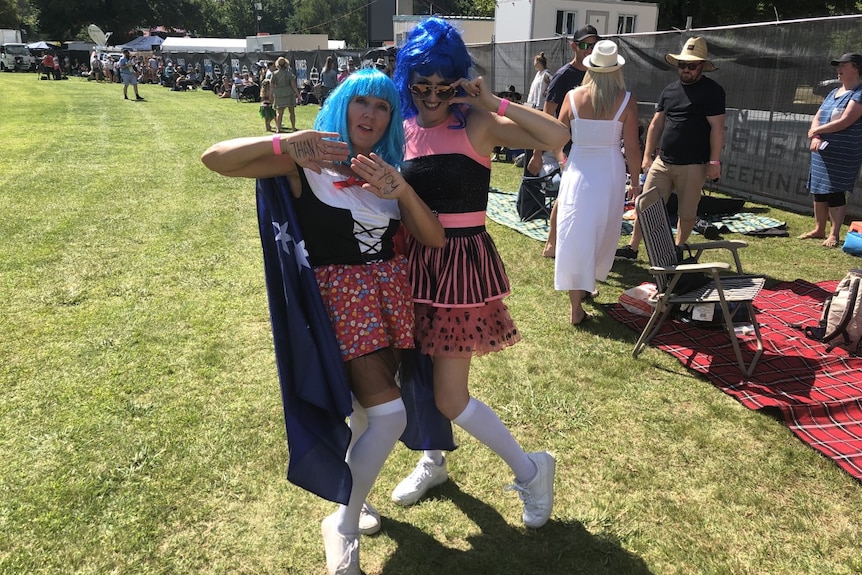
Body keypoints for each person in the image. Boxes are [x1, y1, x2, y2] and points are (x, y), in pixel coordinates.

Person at [201, 68, 445, 575]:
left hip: (390, 300)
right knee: (389, 416)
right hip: (339, 305)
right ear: (343, 106)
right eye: (363, 103)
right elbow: (214, 159)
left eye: (383, 108)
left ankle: (354, 498)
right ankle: (343, 524)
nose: (372, 115)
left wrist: (401, 191)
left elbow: (434, 238)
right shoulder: (307, 166)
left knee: (363, 412)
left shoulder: (386, 171)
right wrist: (285, 144)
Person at [381, 16, 569, 530]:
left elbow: (557, 133)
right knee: (413, 374)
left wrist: (492, 102)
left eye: (444, 83)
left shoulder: (476, 122)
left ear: (458, 78)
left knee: (450, 394)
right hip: (409, 261)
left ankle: (532, 469)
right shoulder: (402, 124)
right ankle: (433, 459)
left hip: (461, 264)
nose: (434, 94)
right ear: (409, 79)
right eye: (423, 83)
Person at [553, 40, 642, 325]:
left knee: (576, 231)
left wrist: (560, 158)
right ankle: (580, 301)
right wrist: (637, 181)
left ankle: (578, 298)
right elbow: (632, 147)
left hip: (578, 170)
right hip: (609, 173)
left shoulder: (572, 96)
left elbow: (555, 134)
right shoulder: (627, 100)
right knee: (601, 231)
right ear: (616, 70)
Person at [616, 37, 725, 260]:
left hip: (694, 164)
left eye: (691, 65)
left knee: (687, 212)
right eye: (682, 64)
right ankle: (632, 248)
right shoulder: (669, 90)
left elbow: (717, 128)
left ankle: (678, 249)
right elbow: (656, 124)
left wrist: (714, 162)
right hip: (663, 161)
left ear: (702, 66)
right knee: (645, 205)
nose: (686, 69)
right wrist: (648, 155)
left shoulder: (713, 91)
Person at [528, 25, 599, 258]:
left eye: (594, 45)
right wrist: (538, 154)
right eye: (585, 45)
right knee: (568, 194)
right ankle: (552, 244)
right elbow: (547, 118)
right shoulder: (563, 76)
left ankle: (570, 244)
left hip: (592, 146)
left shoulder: (601, 73)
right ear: (574, 46)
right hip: (567, 148)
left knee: (583, 197)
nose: (590, 50)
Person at [801, 52, 862, 248]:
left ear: (856, 68)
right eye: (838, 65)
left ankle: (834, 234)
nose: (839, 69)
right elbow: (819, 115)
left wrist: (816, 131)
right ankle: (819, 229)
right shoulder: (832, 92)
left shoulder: (860, 93)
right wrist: (816, 135)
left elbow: (845, 121)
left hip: (843, 152)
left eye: (843, 65)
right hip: (821, 150)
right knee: (818, 189)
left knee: (835, 191)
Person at [272, 56, 299, 133]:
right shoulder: (289, 74)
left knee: (279, 113)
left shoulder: (274, 74)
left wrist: (271, 94)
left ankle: (278, 128)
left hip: (279, 94)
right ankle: (293, 127)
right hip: (289, 93)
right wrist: (298, 95)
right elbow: (293, 86)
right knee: (292, 112)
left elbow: (272, 86)